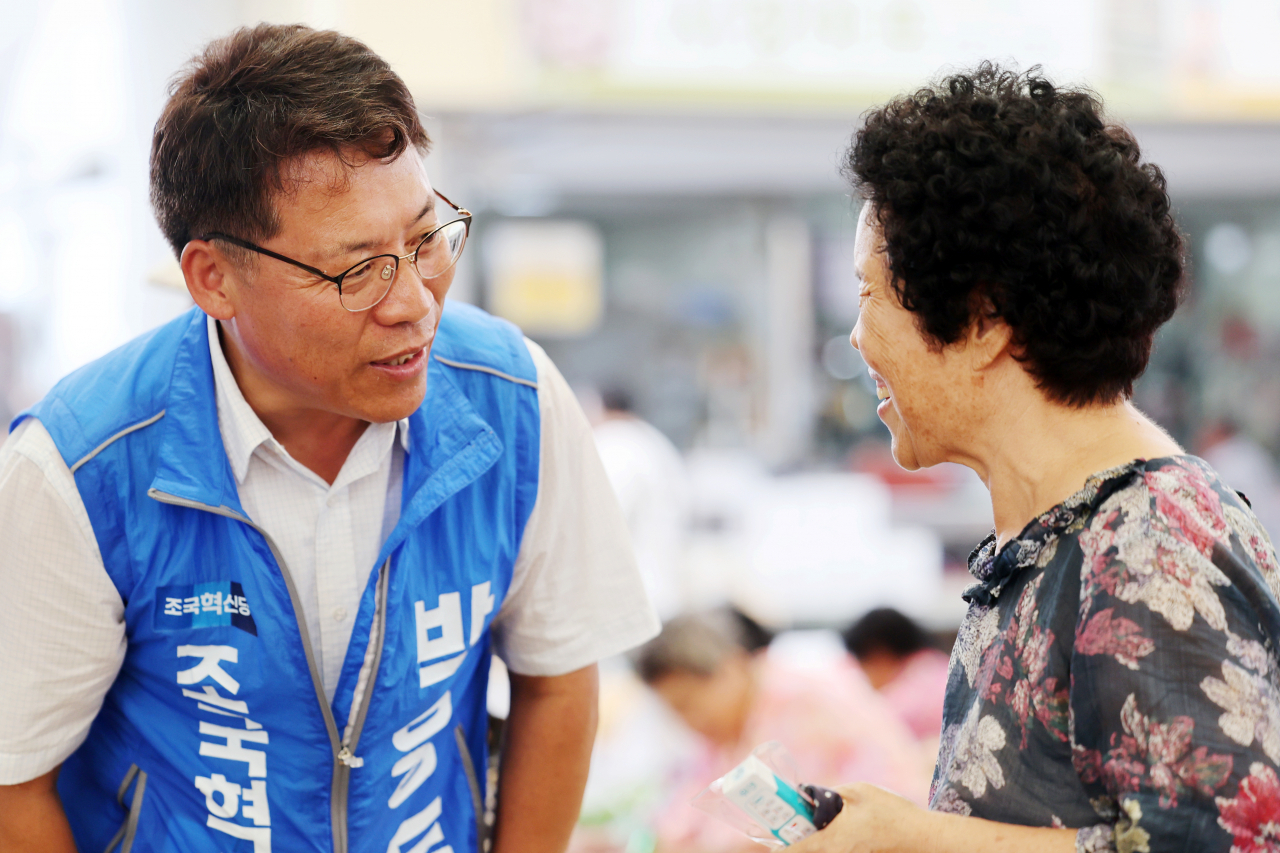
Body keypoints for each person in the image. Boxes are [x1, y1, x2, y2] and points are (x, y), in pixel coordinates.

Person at [0, 24, 659, 853]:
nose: (415, 302)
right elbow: (13, 778)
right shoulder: (84, 468)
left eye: (425, 239)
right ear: (214, 277)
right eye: (358, 269)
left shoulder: (512, 402)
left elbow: (559, 678)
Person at [791, 64, 1280, 853]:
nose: (857, 337)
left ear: (983, 319)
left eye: (868, 294)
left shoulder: (1148, 544)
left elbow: (1220, 846)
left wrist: (919, 841)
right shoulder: (1056, 538)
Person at [637, 611, 928, 852]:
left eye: (688, 704)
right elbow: (676, 823)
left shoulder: (798, 700)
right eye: (674, 711)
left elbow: (801, 829)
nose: (689, 720)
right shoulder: (726, 732)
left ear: (731, 667)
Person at [590, 387, 691, 620]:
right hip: (663, 590)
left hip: (628, 600)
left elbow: (598, 518)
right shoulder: (652, 440)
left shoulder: (617, 443)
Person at [842, 608, 950, 743]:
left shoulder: (911, 693)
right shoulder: (941, 667)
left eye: (863, 666)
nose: (865, 678)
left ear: (879, 656)